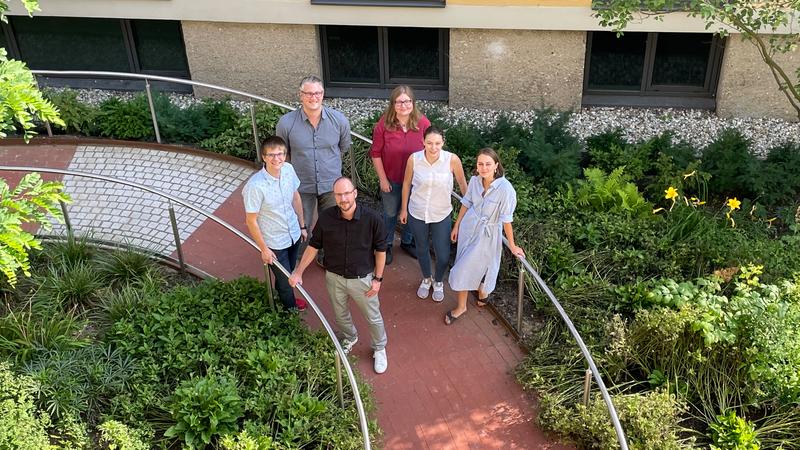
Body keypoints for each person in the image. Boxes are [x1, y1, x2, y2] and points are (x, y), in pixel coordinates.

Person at [288, 177, 390, 374]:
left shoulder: (372, 219)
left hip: (363, 280)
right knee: (340, 313)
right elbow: (313, 246)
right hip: (334, 277)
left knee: (373, 316)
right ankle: (349, 337)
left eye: (346, 193)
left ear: (355, 193)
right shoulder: (326, 217)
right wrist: (299, 271)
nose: (343, 199)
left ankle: (379, 348)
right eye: (339, 195)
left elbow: (381, 251)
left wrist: (378, 279)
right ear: (334, 196)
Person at [276, 75, 352, 265]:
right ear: (300, 95)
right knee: (301, 224)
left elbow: (342, 147)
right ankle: (298, 259)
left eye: (317, 93)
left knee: (332, 223)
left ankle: (326, 255)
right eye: (308, 93)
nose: (313, 97)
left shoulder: (339, 121)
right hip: (302, 185)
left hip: (331, 184)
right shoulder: (286, 123)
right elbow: (284, 155)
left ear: (323, 94)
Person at [446, 148, 525, 325]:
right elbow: (466, 202)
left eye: (488, 164)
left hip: (488, 235)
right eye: (480, 164)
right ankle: (461, 306)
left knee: (486, 268)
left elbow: (506, 220)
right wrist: (457, 225)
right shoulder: (475, 180)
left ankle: (483, 292)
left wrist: (512, 245)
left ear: (496, 165)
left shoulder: (505, 189)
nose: (484, 167)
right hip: (469, 228)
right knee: (462, 266)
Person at [399, 126, 467, 302]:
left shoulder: (452, 160)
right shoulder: (414, 159)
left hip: (441, 213)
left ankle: (438, 281)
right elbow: (406, 184)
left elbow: (463, 186)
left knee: (443, 254)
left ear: (443, 142)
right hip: (417, 211)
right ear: (423, 142)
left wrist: (468, 213)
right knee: (421, 249)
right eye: (429, 143)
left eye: (437, 143)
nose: (433, 147)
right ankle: (426, 278)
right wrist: (404, 208)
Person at [243, 136, 308, 311]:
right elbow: (251, 220)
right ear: (263, 157)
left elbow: (295, 197)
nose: (276, 159)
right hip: (275, 243)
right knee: (287, 280)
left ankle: (283, 295)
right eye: (271, 155)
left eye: (280, 154)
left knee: (289, 272)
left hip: (293, 234)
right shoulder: (255, 186)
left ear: (285, 155)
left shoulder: (288, 169)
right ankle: (290, 310)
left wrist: (302, 226)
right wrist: (264, 249)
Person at [370, 85, 431, 265]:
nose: (403, 105)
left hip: (416, 181)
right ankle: (387, 244)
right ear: (393, 104)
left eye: (407, 101)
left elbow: (431, 150)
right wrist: (382, 179)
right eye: (398, 102)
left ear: (413, 102)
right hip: (391, 179)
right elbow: (376, 153)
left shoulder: (423, 124)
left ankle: (406, 241)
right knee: (389, 214)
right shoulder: (384, 124)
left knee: (413, 213)